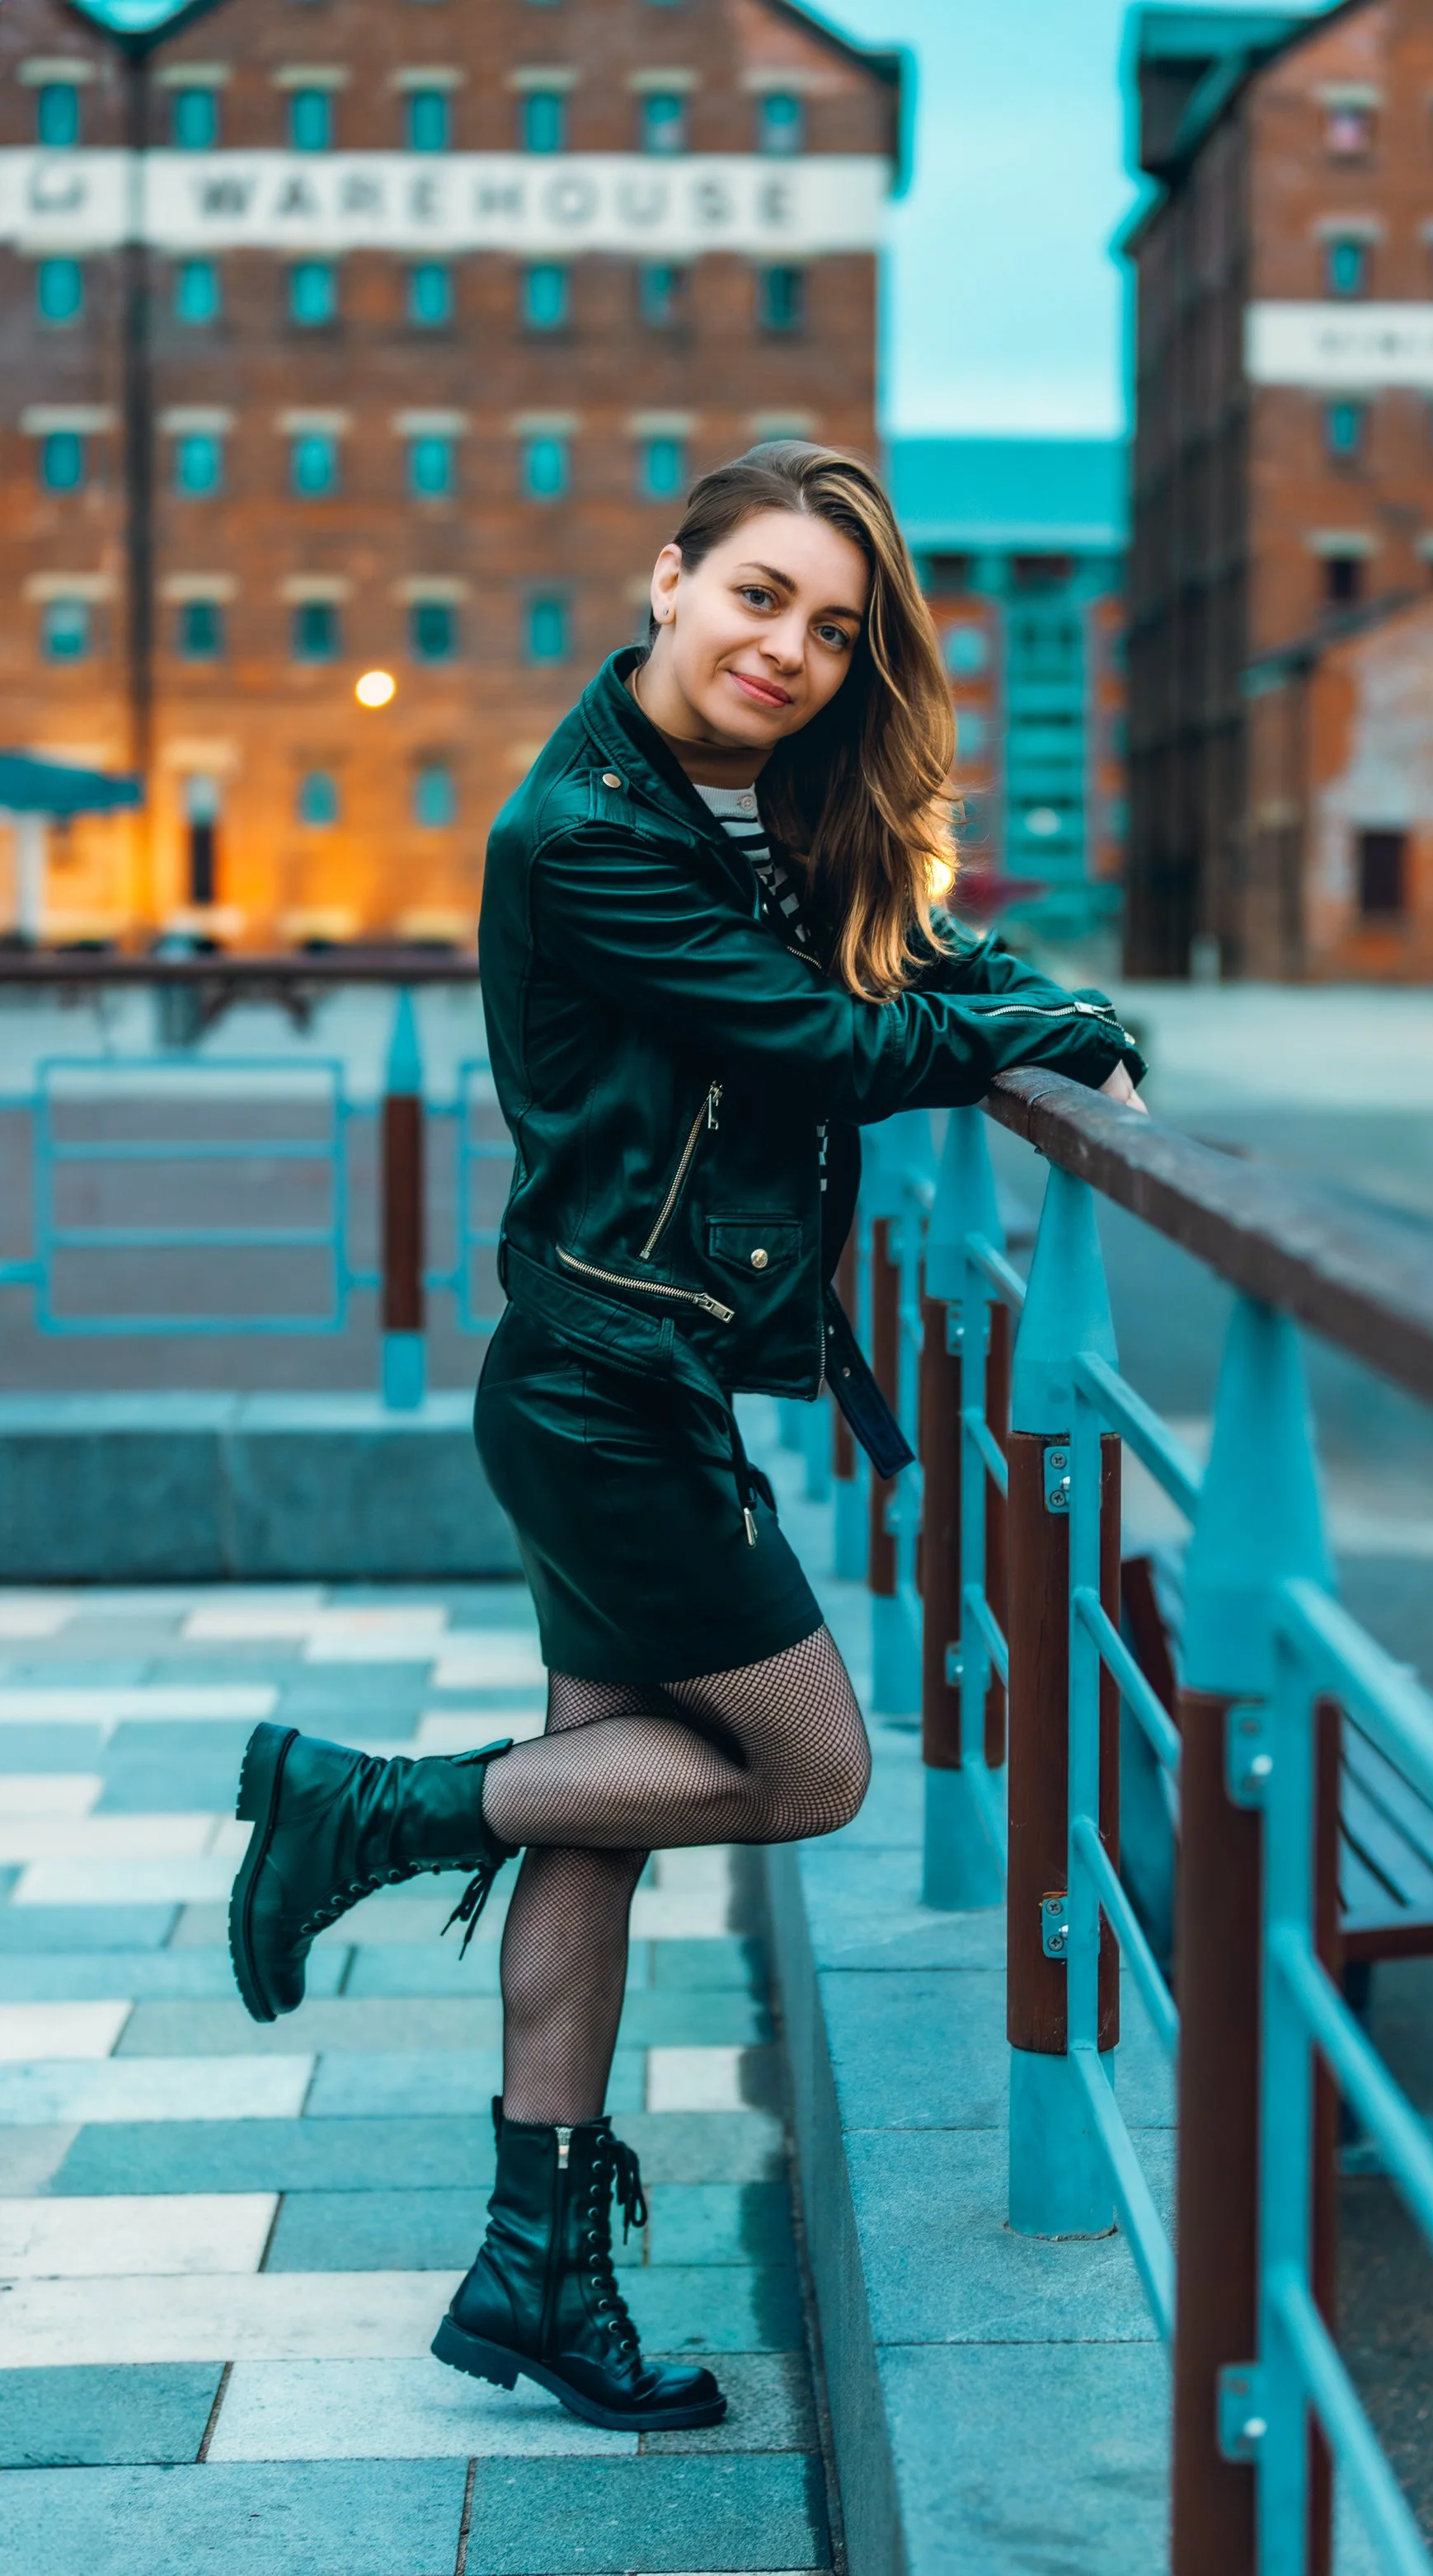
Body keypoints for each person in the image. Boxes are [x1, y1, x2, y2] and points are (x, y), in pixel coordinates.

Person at [226, 440, 1145, 2436]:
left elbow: (888, 969)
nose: (792, 648)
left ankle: (534, 2269)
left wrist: (1031, 996)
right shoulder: (587, 832)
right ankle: (370, 1810)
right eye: (759, 596)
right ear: (669, 575)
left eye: (831, 627)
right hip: (603, 1395)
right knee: (805, 1764)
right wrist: (1031, 1037)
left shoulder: (736, 806)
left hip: (620, 1372)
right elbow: (823, 1042)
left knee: (604, 1801)